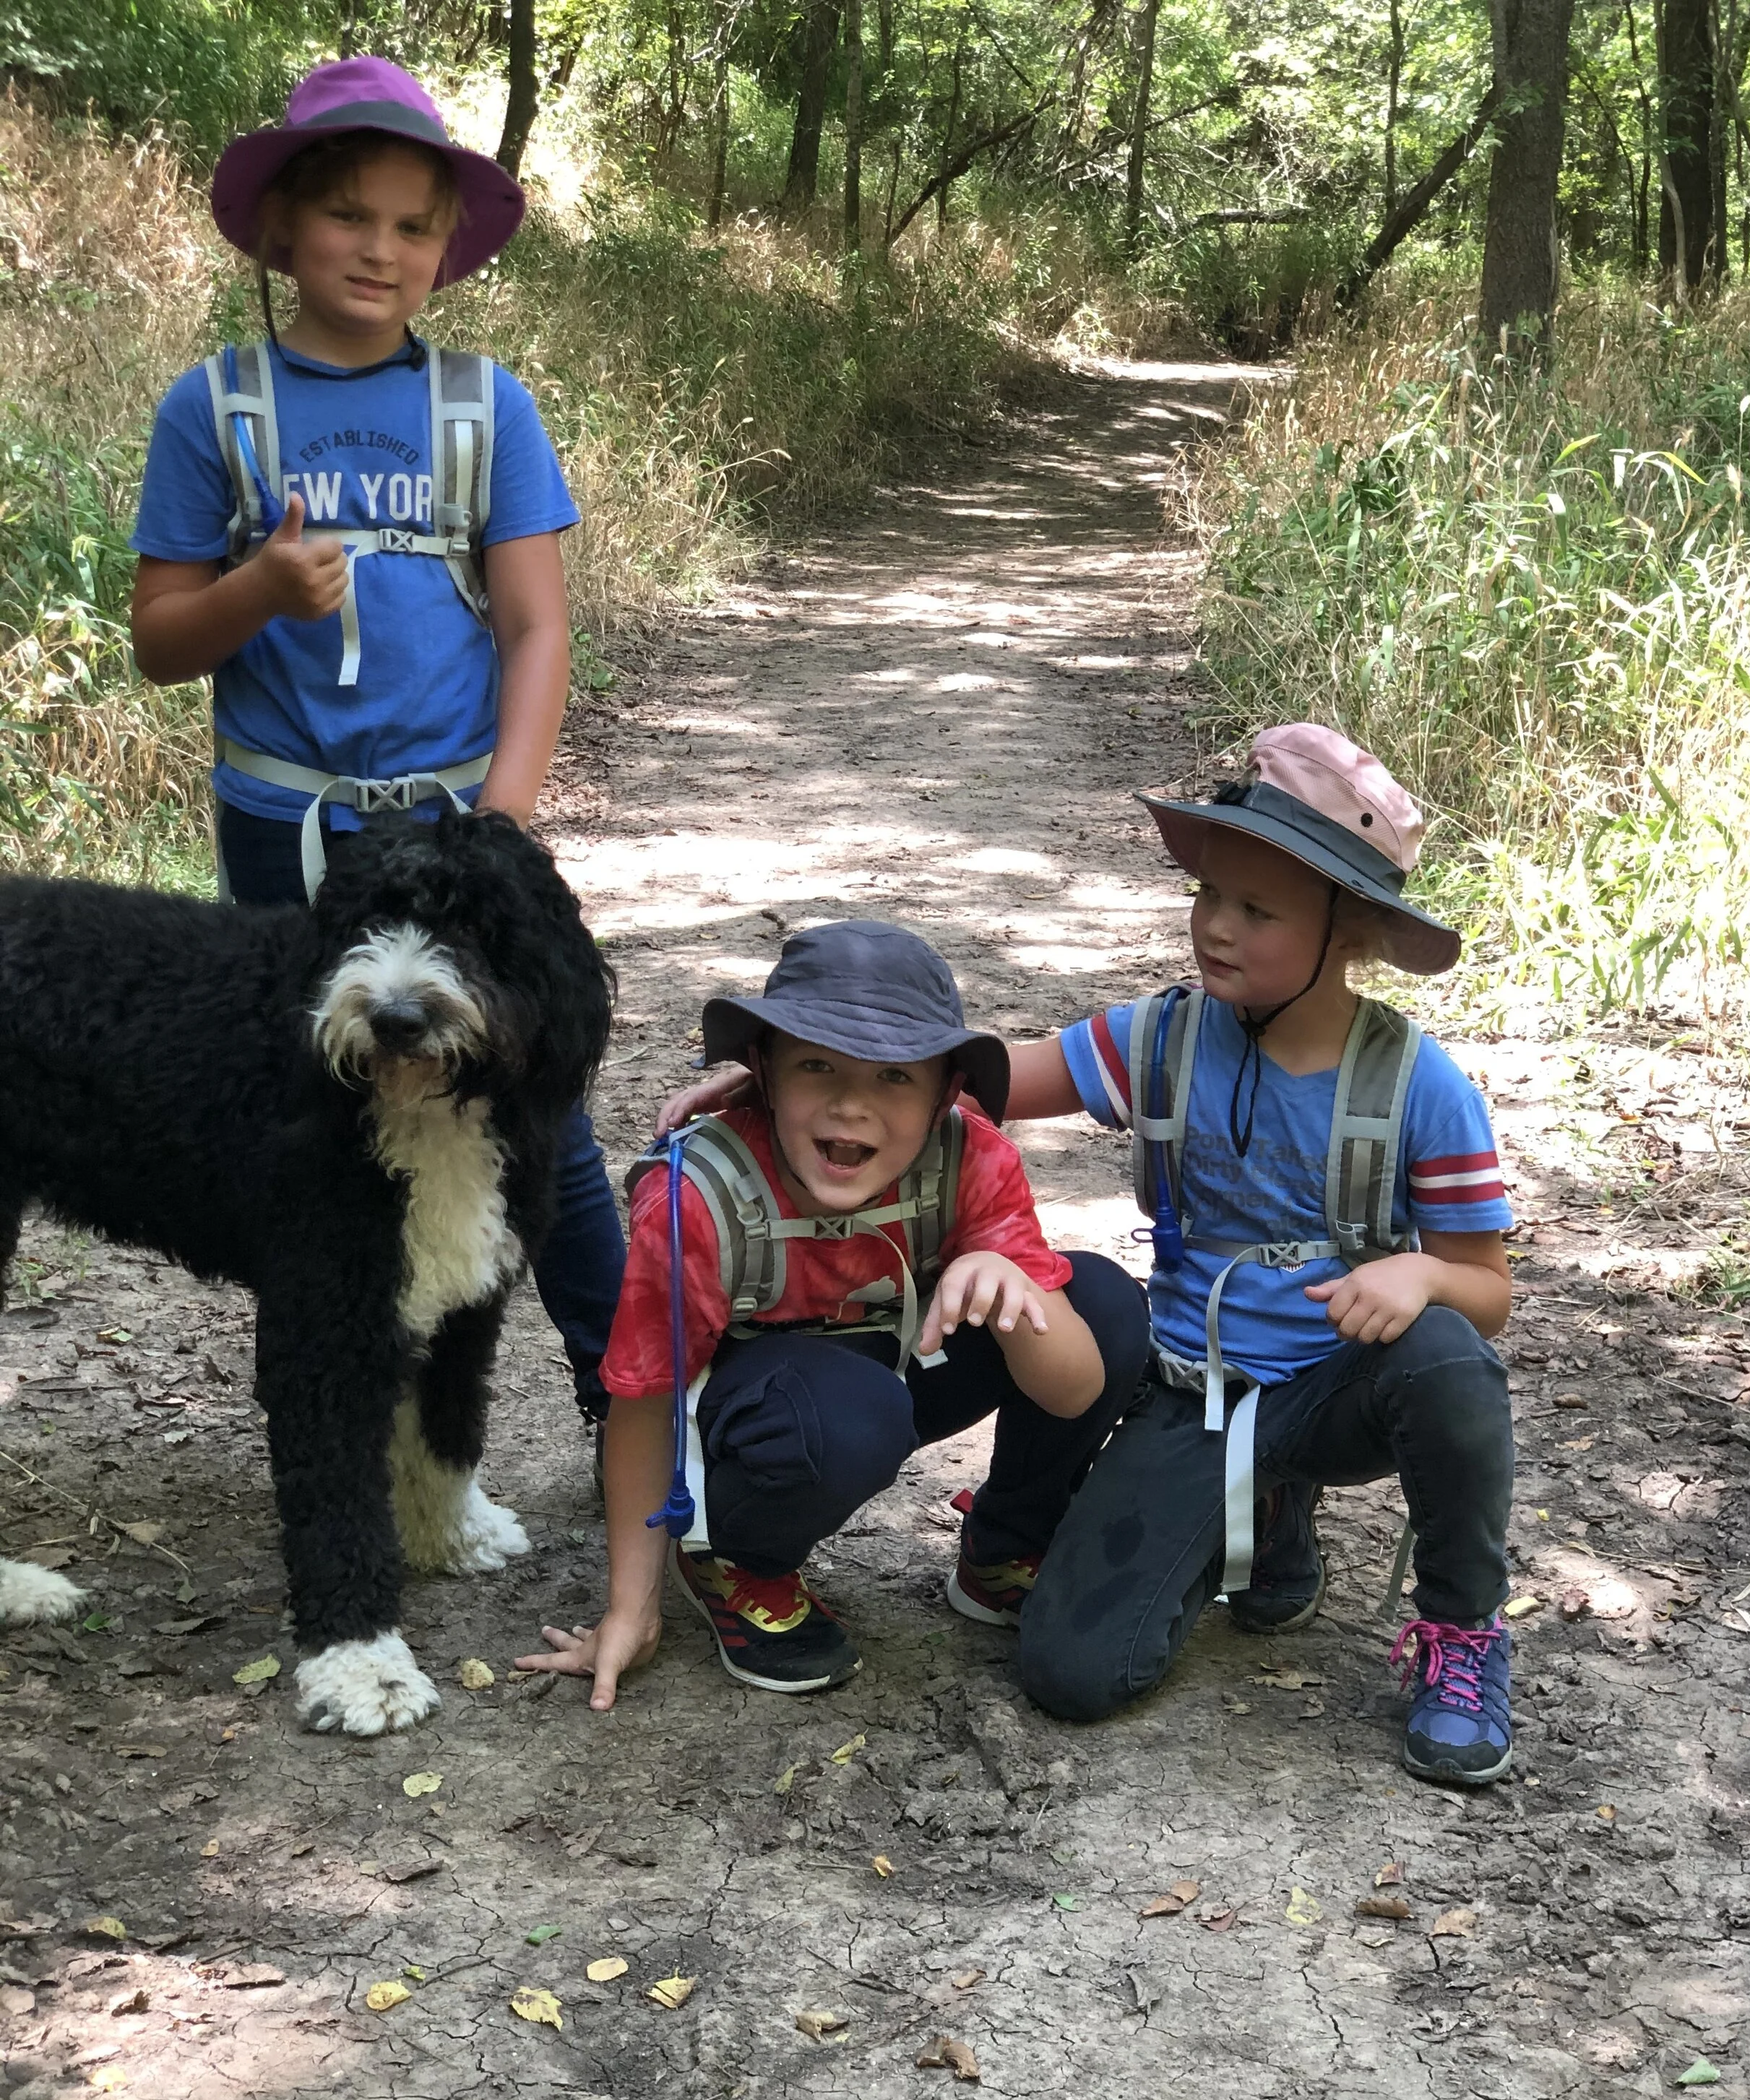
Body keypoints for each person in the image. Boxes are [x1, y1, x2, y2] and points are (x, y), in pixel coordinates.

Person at [127, 54, 623, 1452]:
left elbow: (535, 626)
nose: (380, 249)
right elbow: (161, 638)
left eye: (414, 225)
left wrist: (500, 828)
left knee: (540, 1120)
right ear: (282, 223)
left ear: (447, 248)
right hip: (284, 830)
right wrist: (257, 592)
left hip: (462, 835)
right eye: (349, 214)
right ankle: (341, 1417)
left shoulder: (484, 409)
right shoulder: (214, 410)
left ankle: (633, 1398)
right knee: (324, 1116)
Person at [1006, 725, 1516, 1784]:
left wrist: (1422, 1273)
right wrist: (815, 1071)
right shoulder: (1161, 1038)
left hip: (1337, 1391)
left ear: (1350, 928)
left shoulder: (1419, 1086)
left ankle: (1463, 1633)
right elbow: (989, 1082)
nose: (1216, 926)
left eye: (1258, 908)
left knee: (1450, 1359)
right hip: (1195, 1392)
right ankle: (1261, 1514)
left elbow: (1487, 1291)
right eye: (1208, 894)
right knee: (1071, 1673)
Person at [516, 921, 1149, 1706]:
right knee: (851, 1412)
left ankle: (1004, 1547)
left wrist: (1010, 1288)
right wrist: (630, 1609)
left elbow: (1075, 1390)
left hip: (894, 1362)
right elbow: (644, 1401)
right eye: (816, 1066)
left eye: (895, 1076)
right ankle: (733, 1554)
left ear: (945, 1094)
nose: (851, 1106)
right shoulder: (696, 1200)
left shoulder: (973, 1158)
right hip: (762, 1411)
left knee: (1101, 1303)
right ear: (764, 1073)